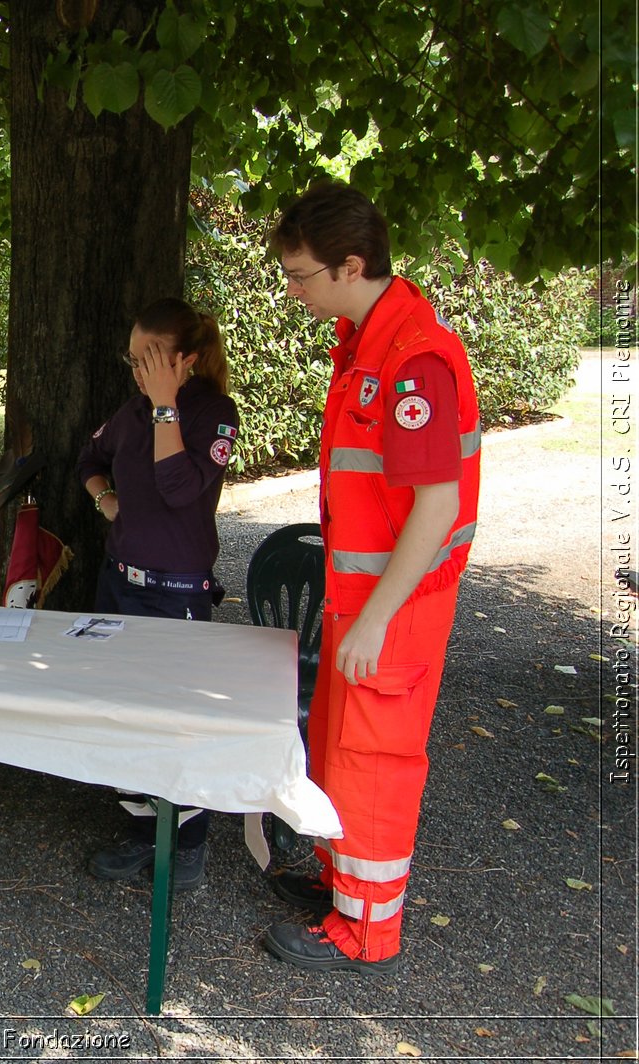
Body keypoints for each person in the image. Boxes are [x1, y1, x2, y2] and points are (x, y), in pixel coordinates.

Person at [263, 181, 479, 973]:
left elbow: (436, 506)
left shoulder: (413, 360)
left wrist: (381, 618)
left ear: (350, 266)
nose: (293, 292)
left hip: (397, 607)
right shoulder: (367, 340)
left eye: (301, 275)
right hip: (366, 599)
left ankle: (366, 929)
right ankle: (340, 886)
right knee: (341, 747)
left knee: (378, 759)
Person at [74, 297, 240, 892]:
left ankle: (188, 837)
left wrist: (166, 407)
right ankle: (144, 830)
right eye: (133, 358)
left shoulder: (213, 414)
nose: (139, 371)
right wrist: (104, 499)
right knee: (117, 706)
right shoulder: (130, 411)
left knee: (175, 715)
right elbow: (87, 457)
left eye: (152, 358)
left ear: (187, 359)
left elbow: (177, 488)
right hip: (119, 584)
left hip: (176, 593)